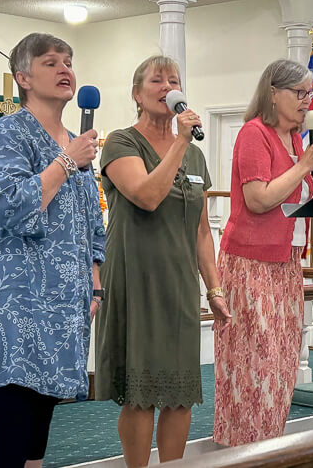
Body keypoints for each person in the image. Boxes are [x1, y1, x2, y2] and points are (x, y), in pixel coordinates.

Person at [0, 33, 105, 468]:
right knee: (11, 425)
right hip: (7, 307)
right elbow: (8, 204)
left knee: (39, 428)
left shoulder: (75, 140)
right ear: (23, 77)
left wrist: (94, 281)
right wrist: (66, 162)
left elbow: (92, 220)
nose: (65, 69)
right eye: (51, 62)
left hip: (57, 310)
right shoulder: (8, 134)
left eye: (69, 61)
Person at [94, 55, 230, 467]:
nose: (167, 86)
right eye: (157, 80)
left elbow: (202, 231)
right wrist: (181, 143)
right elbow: (147, 196)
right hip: (135, 277)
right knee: (141, 392)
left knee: (180, 390)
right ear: (137, 94)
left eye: (173, 80)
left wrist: (215, 287)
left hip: (178, 282)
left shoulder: (195, 158)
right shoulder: (121, 142)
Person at [213, 59, 313, 446]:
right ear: (273, 93)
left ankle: (269, 444)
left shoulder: (296, 138)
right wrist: (303, 167)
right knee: (253, 360)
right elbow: (258, 199)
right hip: (251, 263)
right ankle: (242, 448)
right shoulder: (253, 133)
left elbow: (295, 198)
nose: (306, 101)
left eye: (309, 93)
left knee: (281, 362)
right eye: (299, 93)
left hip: (286, 261)